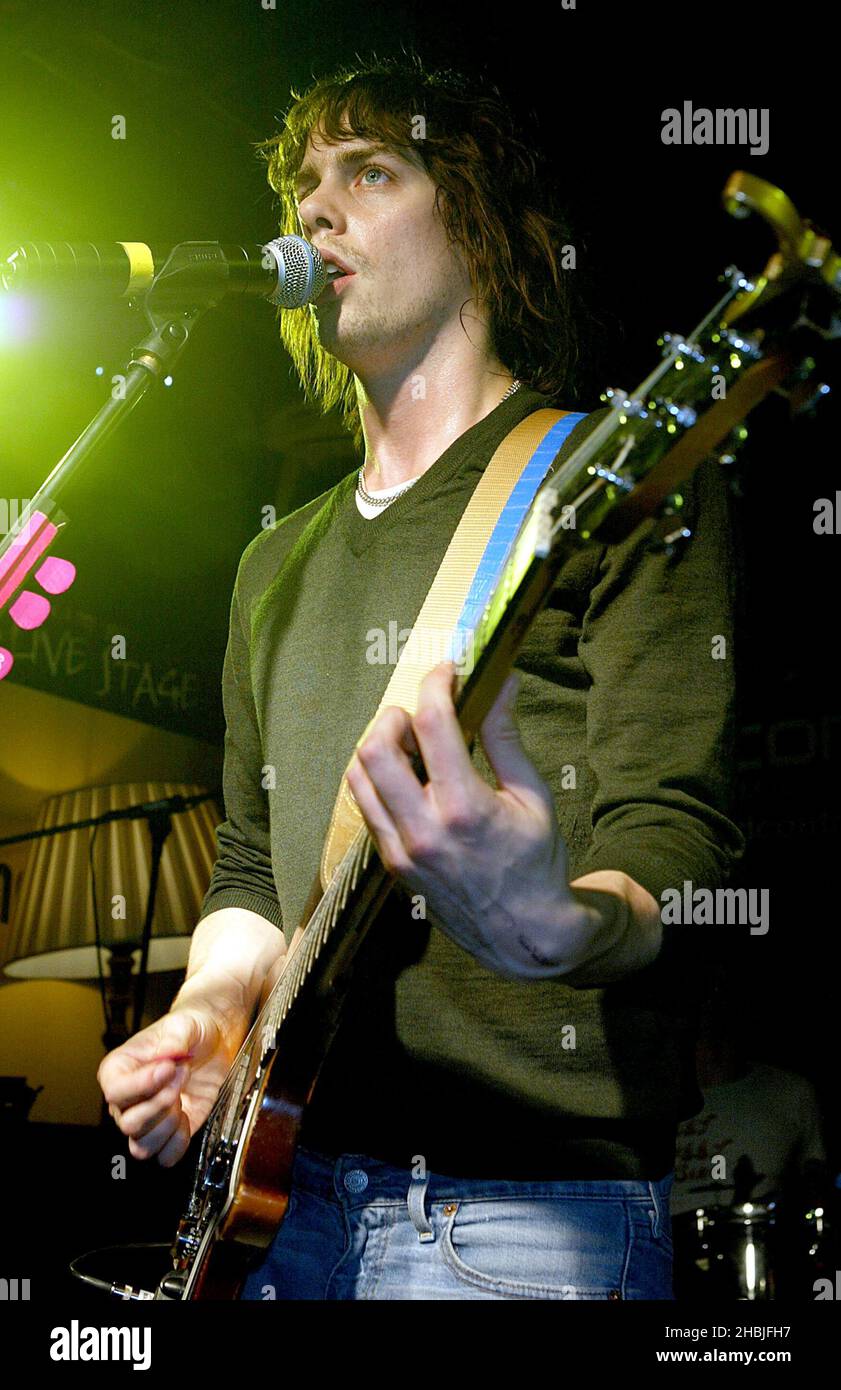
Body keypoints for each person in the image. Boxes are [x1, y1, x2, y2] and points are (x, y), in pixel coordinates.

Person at [97, 53, 746, 1300]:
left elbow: (681, 832)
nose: (314, 210)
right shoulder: (270, 560)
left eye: (371, 171)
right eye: (303, 186)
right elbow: (250, 863)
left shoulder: (614, 475)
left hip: (517, 1214)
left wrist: (553, 920)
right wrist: (208, 1010)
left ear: (482, 225)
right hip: (279, 1192)